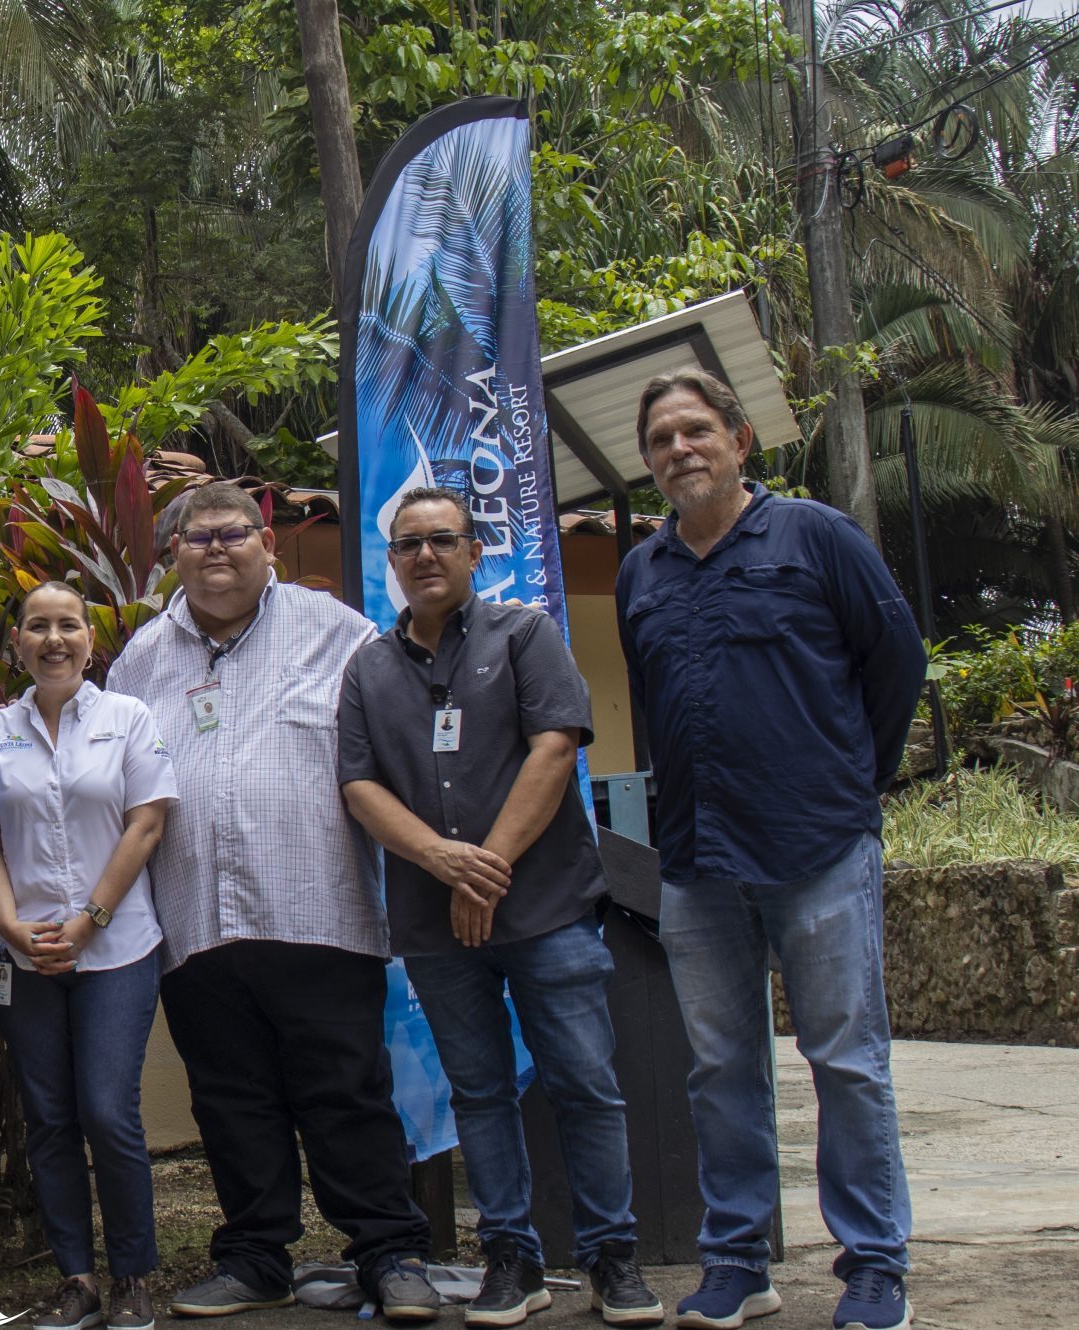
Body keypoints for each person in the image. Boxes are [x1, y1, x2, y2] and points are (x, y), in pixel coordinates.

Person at [615, 371, 924, 1330]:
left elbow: (896, 659)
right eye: (661, 438)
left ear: (741, 440)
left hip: (818, 845)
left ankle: (875, 1267)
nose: (679, 450)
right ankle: (737, 1261)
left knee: (847, 1059)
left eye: (696, 430)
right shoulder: (640, 572)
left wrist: (845, 781)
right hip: (698, 860)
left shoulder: (815, 537)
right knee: (720, 1068)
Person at [104, 482, 441, 1322]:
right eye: (196, 538)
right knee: (229, 1100)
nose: (215, 549)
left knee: (346, 1094)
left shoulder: (341, 634)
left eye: (232, 534)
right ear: (171, 555)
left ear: (268, 546)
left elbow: (399, 754)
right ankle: (257, 1258)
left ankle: (390, 1251)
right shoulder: (138, 660)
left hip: (318, 912)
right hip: (192, 925)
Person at [336, 488, 664, 1329]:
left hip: (547, 909)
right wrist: (439, 860)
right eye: (408, 545)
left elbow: (555, 746)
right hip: (432, 919)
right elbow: (358, 784)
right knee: (477, 1093)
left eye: (444, 540)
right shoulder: (369, 667)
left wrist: (485, 870)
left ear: (474, 552)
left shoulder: (526, 635)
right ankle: (510, 1260)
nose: (425, 556)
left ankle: (611, 1261)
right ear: (393, 564)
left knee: (585, 1085)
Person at [0, 581, 179, 1330]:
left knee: (106, 1111)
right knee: (50, 1118)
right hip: (22, 953)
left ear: (91, 639)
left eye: (68, 626)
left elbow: (146, 825)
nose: (53, 639)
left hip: (116, 947)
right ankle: (77, 1280)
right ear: (16, 642)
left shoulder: (129, 718)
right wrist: (9, 925)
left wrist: (89, 920)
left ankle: (132, 1277)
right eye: (37, 627)